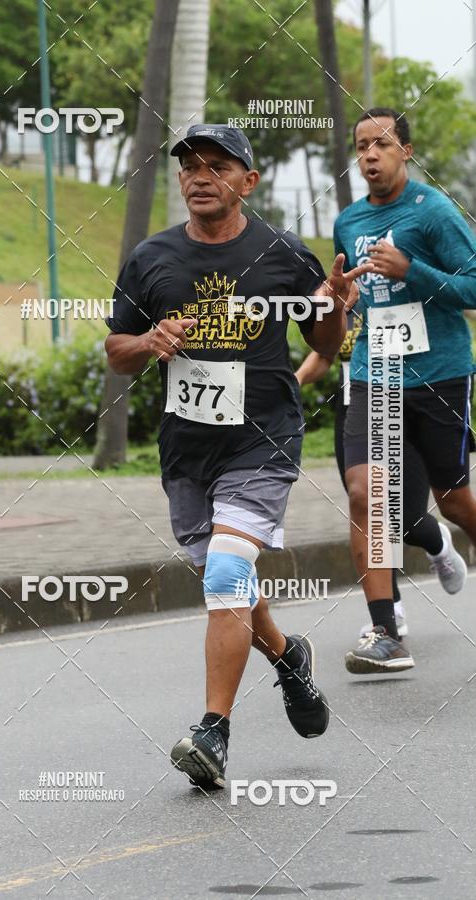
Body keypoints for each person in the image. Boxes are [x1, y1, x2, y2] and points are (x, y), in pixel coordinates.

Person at [104, 123, 370, 790]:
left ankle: (212, 731)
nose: (200, 176)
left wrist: (336, 306)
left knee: (226, 572)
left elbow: (327, 339)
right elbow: (116, 348)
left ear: (247, 182)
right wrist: (149, 341)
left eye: (218, 166)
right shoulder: (151, 258)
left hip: (264, 440)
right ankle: (287, 657)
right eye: (190, 165)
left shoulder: (283, 255)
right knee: (228, 585)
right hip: (187, 449)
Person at [333, 107, 474, 675]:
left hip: (440, 375)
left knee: (453, 499)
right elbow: (352, 295)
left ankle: (442, 538)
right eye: (362, 145)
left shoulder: (434, 212)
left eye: (382, 144)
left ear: (405, 152)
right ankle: (386, 632)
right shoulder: (347, 221)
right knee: (366, 492)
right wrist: (337, 298)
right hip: (376, 374)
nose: (370, 155)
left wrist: (412, 270)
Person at [296, 306, 468, 641]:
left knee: (406, 519)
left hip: (407, 402)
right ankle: (392, 614)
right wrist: (297, 378)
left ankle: (438, 544)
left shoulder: (401, 297)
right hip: (356, 409)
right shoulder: (343, 303)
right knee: (369, 507)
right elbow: (324, 355)